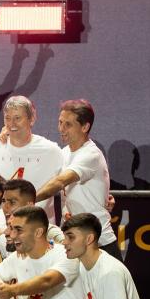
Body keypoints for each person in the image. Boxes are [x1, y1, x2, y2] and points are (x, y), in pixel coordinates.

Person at [36, 99, 118, 258]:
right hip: (72, 240)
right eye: (60, 122)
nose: (61, 129)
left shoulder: (90, 154)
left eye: (68, 124)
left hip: (98, 241)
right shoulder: (64, 152)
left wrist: (30, 200)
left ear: (85, 127)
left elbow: (60, 182)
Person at [0, 96, 62, 223]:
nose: (11, 124)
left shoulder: (51, 150)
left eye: (17, 118)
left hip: (40, 232)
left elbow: (68, 184)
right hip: (2, 232)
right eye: (7, 118)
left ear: (32, 119)